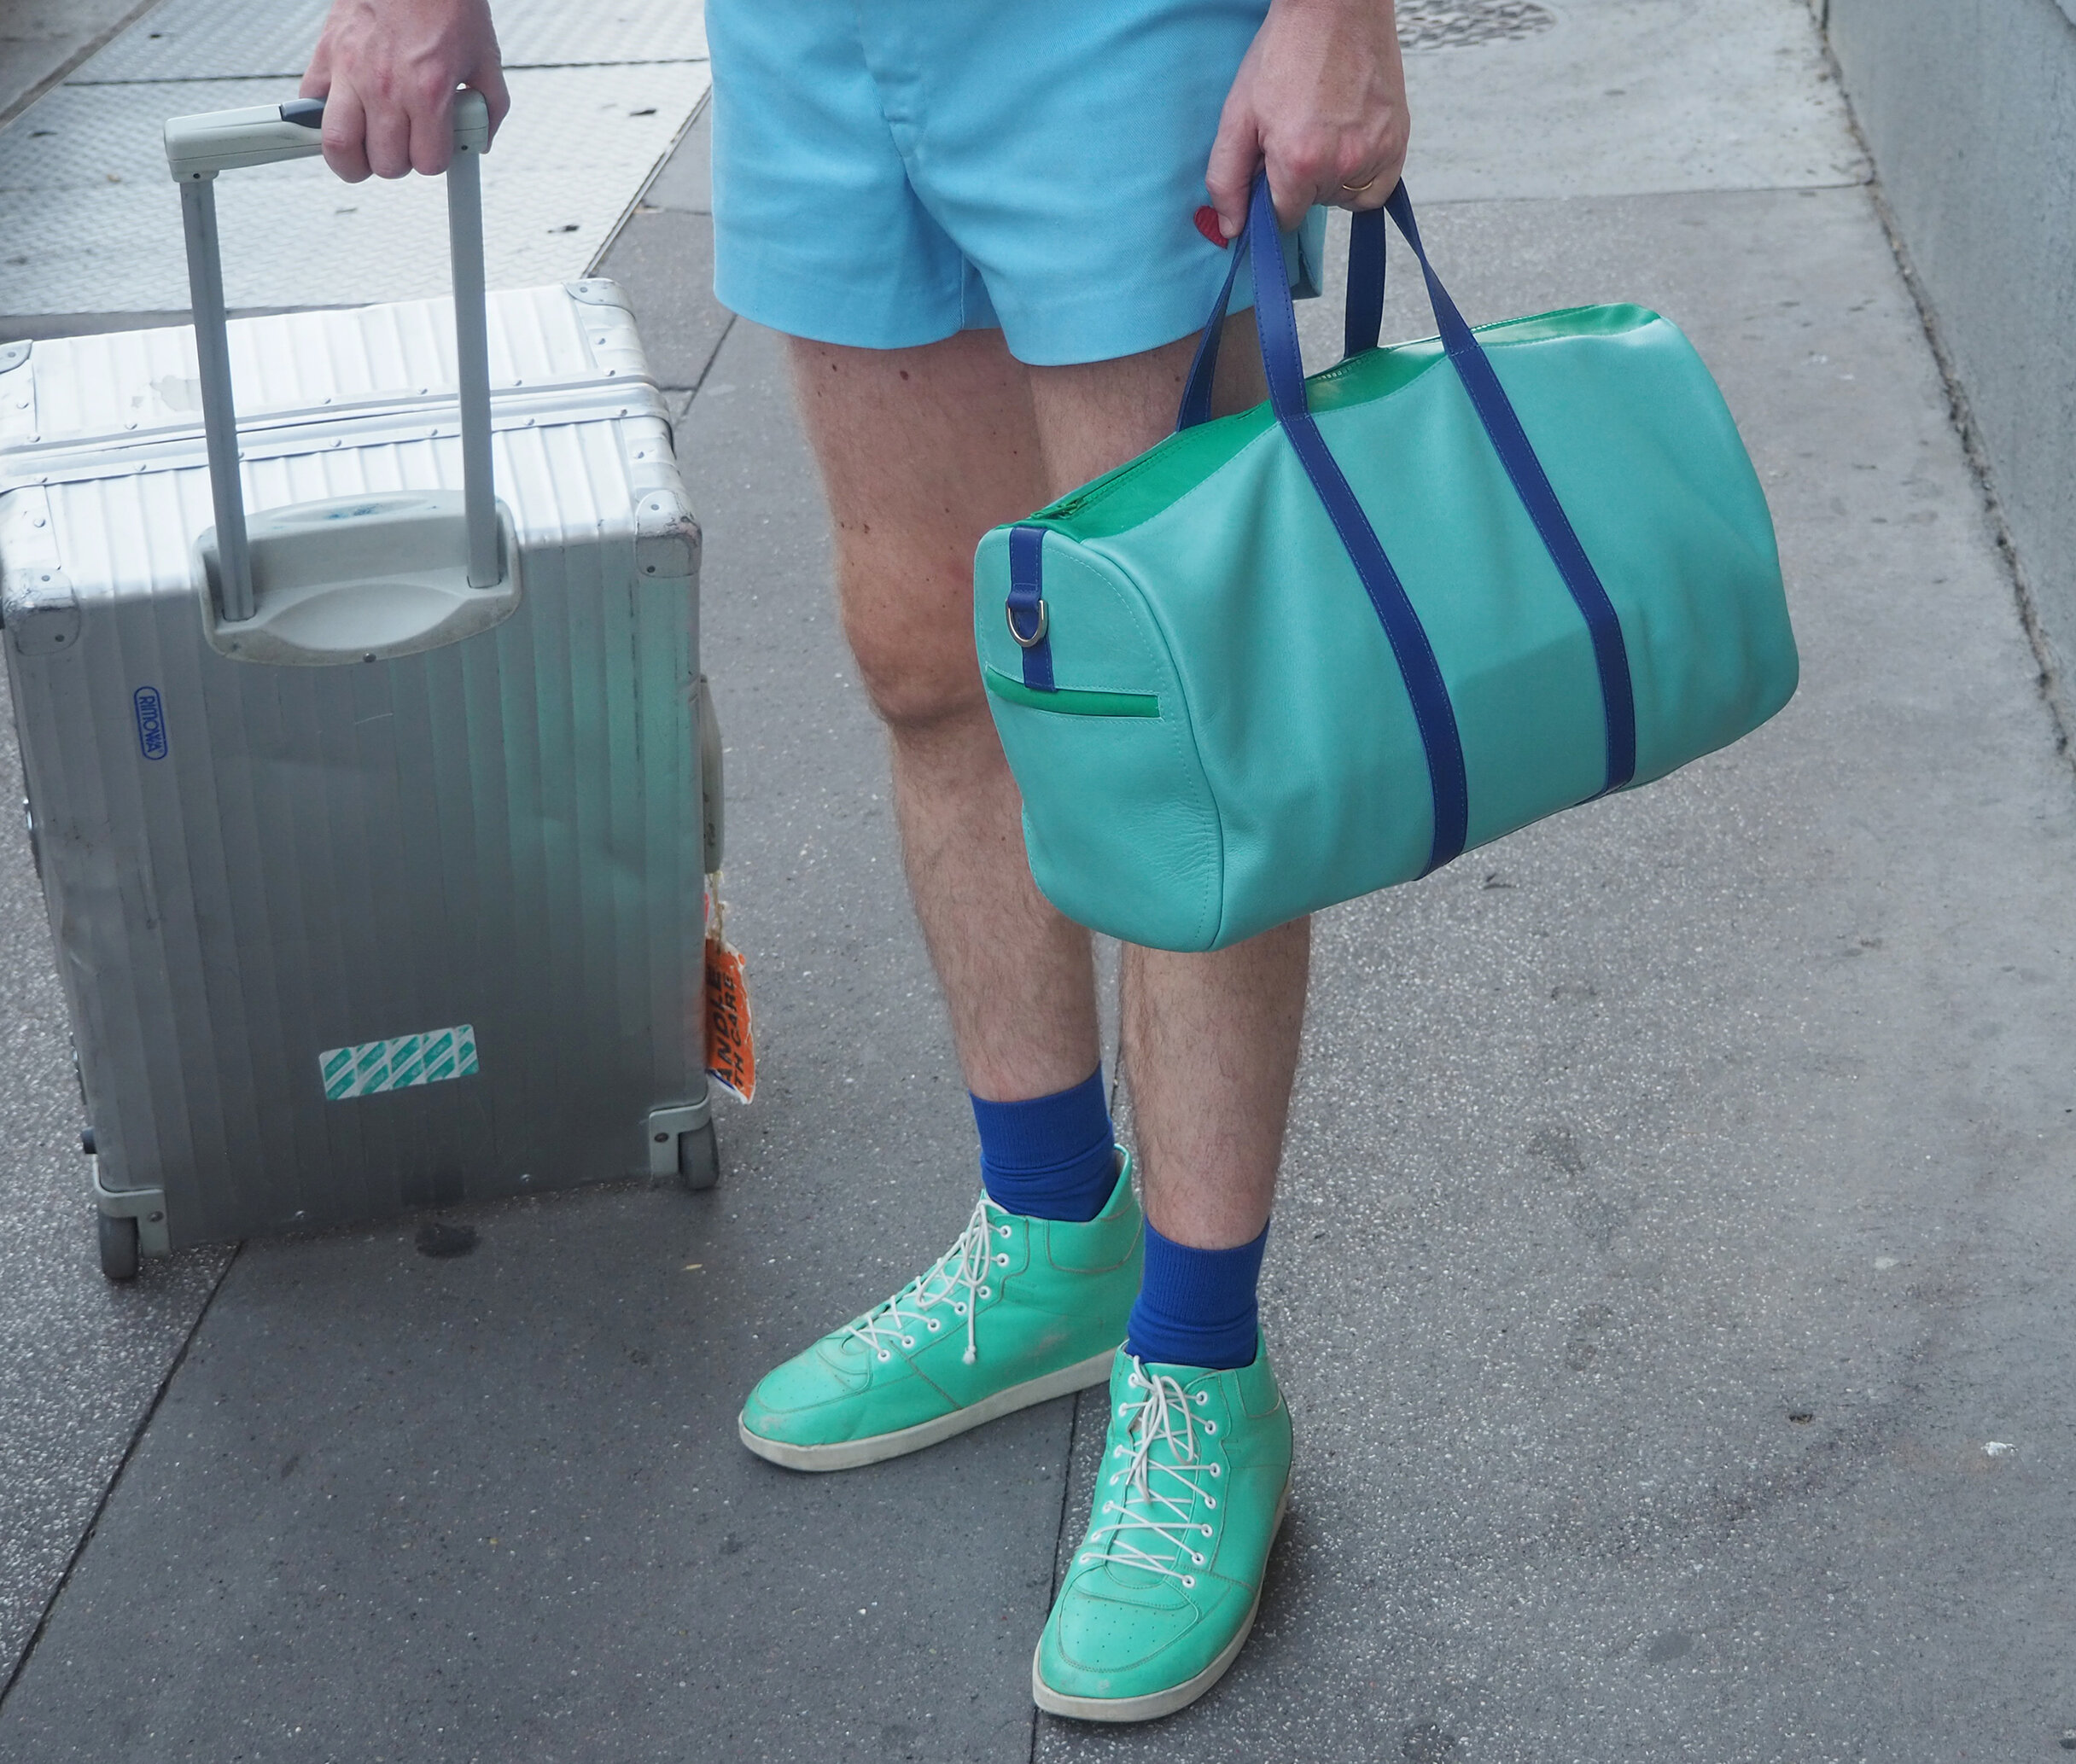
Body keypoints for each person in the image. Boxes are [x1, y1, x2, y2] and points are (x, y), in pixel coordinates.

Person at [303, 0, 1408, 1722]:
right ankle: (1052, 1235)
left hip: (1113, 38)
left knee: (1173, 707)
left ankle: (1202, 1363)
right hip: (813, 36)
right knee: (925, 653)